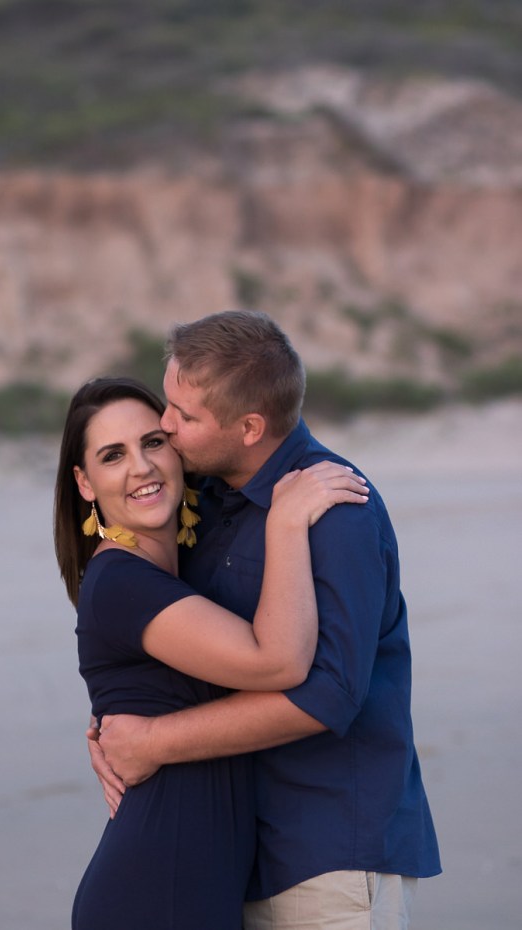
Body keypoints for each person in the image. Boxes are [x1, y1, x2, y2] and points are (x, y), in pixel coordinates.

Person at [90, 311, 442, 930]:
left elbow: (328, 695)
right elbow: (172, 646)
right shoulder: (208, 504)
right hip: (236, 860)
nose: (165, 430)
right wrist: (109, 727)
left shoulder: (339, 510)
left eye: (184, 417)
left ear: (250, 427)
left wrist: (151, 743)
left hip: (330, 853)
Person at [53, 375, 369, 930]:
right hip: (157, 889)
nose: (142, 467)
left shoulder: (173, 570)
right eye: (112, 455)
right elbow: (279, 663)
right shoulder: (122, 582)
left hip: (200, 884)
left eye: (153, 442)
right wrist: (288, 520)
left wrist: (119, 727)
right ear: (84, 482)